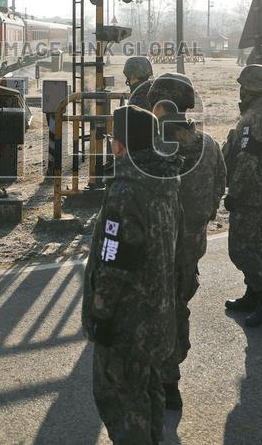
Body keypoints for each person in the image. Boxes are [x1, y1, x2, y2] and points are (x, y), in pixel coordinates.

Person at [82, 104, 180, 444]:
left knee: (119, 399)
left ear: (121, 145)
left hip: (128, 322)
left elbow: (114, 262)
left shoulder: (125, 192)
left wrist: (100, 314)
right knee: (149, 390)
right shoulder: (164, 182)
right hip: (158, 314)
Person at [148, 73, 227, 411]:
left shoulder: (151, 145)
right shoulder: (208, 144)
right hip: (191, 247)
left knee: (152, 311)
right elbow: (219, 186)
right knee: (178, 306)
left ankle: (156, 377)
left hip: (156, 249)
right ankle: (171, 379)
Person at [222, 63, 262, 327]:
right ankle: (254, 295)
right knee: (254, 244)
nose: (241, 91)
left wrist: (234, 192)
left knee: (240, 248)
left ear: (252, 88)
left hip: (253, 191)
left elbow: (248, 158)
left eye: (244, 87)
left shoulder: (259, 116)